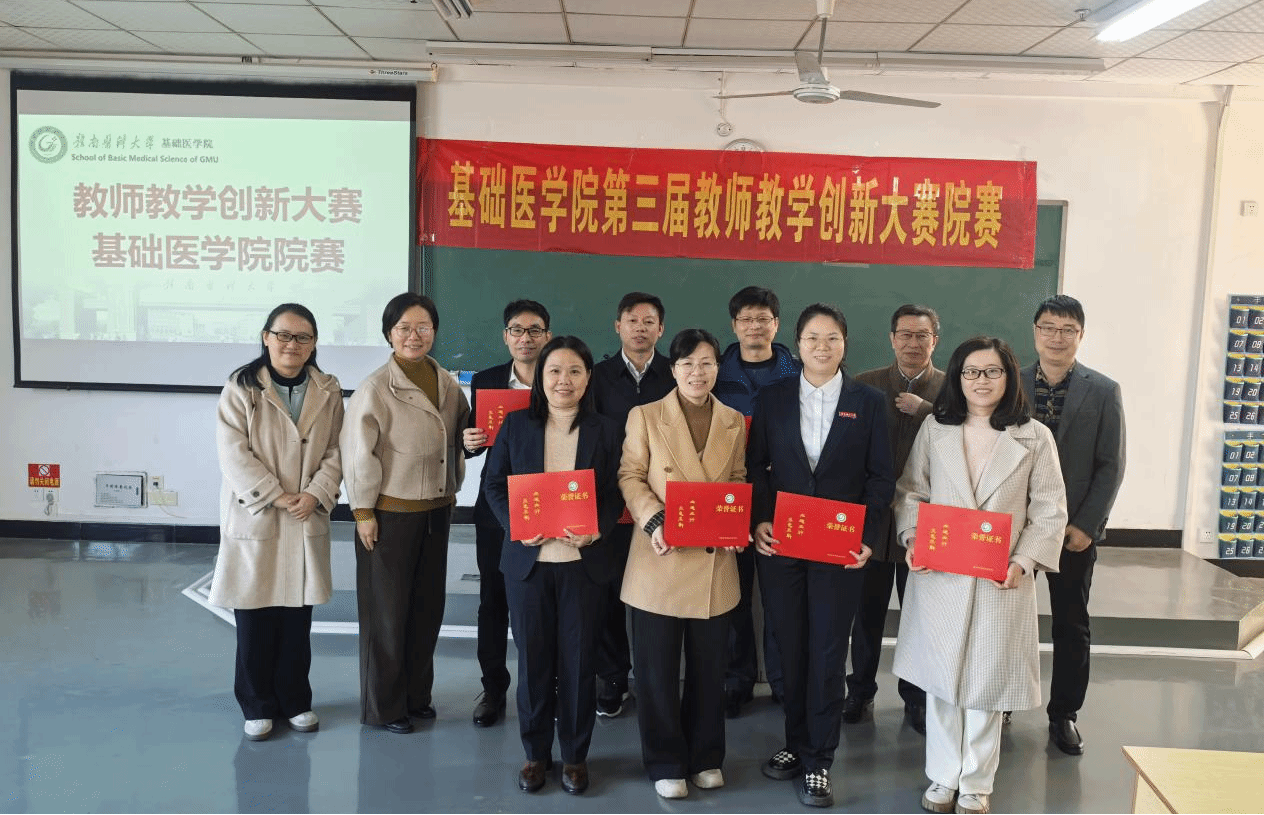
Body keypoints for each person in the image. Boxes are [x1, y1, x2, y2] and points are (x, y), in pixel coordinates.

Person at [892, 336, 1067, 815]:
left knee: (986, 685)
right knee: (942, 681)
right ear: (958, 377)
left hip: (1000, 578)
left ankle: (975, 782)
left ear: (1008, 378)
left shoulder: (1034, 436)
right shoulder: (936, 428)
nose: (981, 381)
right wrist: (913, 538)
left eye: (992, 372)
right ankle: (942, 776)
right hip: (942, 574)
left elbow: (1050, 510)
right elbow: (912, 491)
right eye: (971, 372)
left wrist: (1023, 562)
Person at [748, 303, 895, 808]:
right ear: (797, 344)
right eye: (812, 337)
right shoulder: (773, 398)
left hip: (839, 546)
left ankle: (819, 760)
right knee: (790, 648)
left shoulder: (868, 402)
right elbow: (756, 466)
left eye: (832, 337)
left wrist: (869, 537)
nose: (822, 346)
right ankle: (794, 742)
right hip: (783, 545)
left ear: (845, 343)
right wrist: (760, 519)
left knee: (829, 652)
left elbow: (881, 476)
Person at [484, 336, 624, 796]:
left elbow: (615, 493)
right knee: (534, 663)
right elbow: (494, 485)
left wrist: (596, 528)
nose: (564, 380)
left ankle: (576, 756)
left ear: (588, 377)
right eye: (555, 371)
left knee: (580, 664)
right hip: (529, 566)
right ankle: (535, 754)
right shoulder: (517, 425)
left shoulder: (606, 430)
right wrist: (517, 525)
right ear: (541, 377)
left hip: (583, 565)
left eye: (575, 371)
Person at [618, 328, 747, 800]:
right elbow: (630, 474)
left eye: (707, 363)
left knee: (710, 670)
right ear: (673, 370)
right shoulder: (646, 415)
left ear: (718, 368)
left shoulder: (733, 420)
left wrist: (734, 523)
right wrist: (654, 520)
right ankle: (665, 762)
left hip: (714, 562)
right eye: (688, 363)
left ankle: (706, 757)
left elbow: (737, 478)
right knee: (656, 673)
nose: (697, 372)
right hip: (661, 556)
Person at [211, 303, 344, 742]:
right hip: (259, 512)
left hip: (305, 512)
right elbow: (232, 451)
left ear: (314, 344)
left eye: (303, 337)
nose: (292, 344)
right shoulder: (242, 387)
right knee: (254, 617)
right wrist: (274, 494)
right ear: (266, 338)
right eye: (283, 335)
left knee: (296, 619)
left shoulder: (327, 389)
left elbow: (337, 449)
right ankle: (257, 704)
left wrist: (317, 492)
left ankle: (295, 700)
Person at [341, 293, 469, 734]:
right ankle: (385, 708)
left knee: (426, 611)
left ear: (434, 331)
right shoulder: (376, 387)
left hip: (437, 510)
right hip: (390, 514)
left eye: (423, 328)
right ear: (389, 334)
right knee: (387, 616)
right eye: (404, 329)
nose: (414, 336)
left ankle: (417, 697)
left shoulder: (446, 383)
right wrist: (363, 512)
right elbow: (358, 454)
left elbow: (463, 434)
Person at [1019, 295, 1126, 756]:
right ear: (1035, 332)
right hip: (1016, 525)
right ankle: (1003, 701)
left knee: (1071, 623)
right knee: (1007, 618)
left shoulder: (1103, 390)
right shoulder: (1010, 382)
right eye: (1048, 327)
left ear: (1081, 335)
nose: (1056, 337)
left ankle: (1064, 713)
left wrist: (1086, 524)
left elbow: (1111, 465)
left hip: (1071, 530)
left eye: (1067, 329)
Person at [845, 304, 945, 735]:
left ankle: (916, 697)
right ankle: (860, 691)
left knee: (920, 618)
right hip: (871, 522)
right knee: (865, 616)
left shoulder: (952, 390)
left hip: (924, 527)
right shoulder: (865, 384)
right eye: (905, 334)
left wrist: (927, 411)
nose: (913, 343)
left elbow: (967, 434)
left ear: (935, 340)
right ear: (891, 338)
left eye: (922, 335)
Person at [461, 300, 552, 728]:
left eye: (535, 330)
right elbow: (471, 444)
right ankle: (494, 688)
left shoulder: (561, 376)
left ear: (547, 336)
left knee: (545, 600)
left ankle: (549, 686)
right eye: (517, 330)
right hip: (496, 505)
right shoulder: (487, 381)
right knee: (493, 600)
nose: (525, 338)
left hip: (549, 502)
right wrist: (468, 442)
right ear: (505, 336)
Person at [713, 285, 801, 718]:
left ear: (776, 325)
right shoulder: (713, 371)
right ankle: (737, 679)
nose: (754, 327)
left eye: (763, 319)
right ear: (734, 325)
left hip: (785, 499)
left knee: (780, 595)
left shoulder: (799, 372)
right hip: (727, 498)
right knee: (734, 594)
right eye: (746, 319)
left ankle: (783, 681)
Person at [590, 292, 675, 718]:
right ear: (617, 326)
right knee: (607, 594)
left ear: (661, 329)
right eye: (632, 320)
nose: (640, 328)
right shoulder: (596, 376)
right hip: (609, 502)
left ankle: (654, 679)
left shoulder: (676, 373)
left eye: (649, 321)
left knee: (655, 594)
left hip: (660, 505)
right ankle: (612, 678)